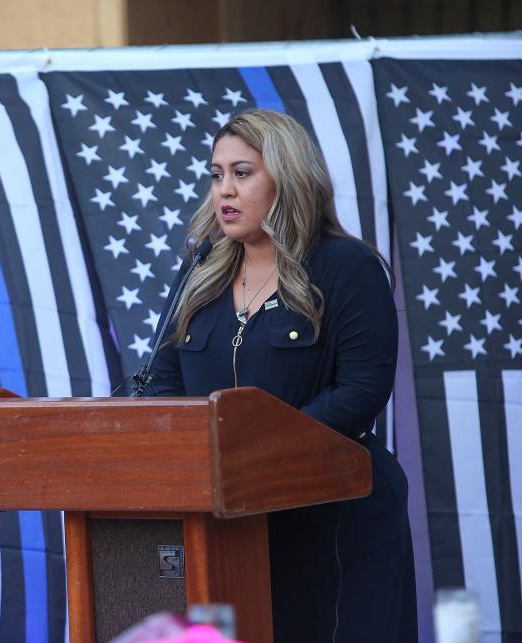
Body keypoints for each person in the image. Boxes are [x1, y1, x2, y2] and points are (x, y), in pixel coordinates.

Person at [145, 108, 417, 642]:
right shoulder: (202, 269)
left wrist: (257, 458)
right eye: (216, 174)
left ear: (288, 178)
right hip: (225, 520)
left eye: (242, 173)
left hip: (330, 516)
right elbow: (163, 380)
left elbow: (360, 391)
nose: (224, 189)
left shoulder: (346, 266)